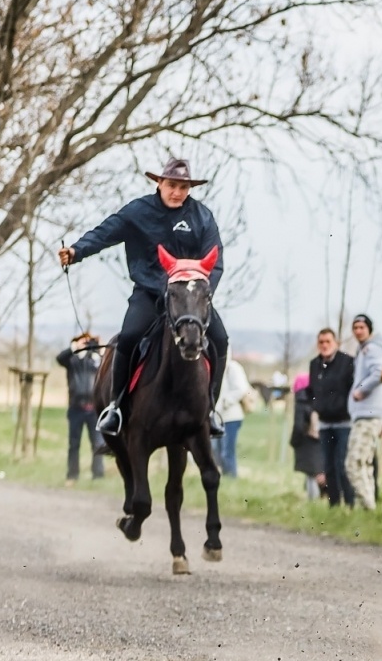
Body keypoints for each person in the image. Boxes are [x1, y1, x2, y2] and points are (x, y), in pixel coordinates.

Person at [58, 158, 229, 438]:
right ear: (159, 183)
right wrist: (76, 251)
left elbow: (216, 261)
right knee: (128, 337)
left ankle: (209, 409)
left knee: (220, 340)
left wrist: (202, 295)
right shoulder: (139, 211)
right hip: (149, 294)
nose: (177, 192)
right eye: (172, 185)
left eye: (183, 187)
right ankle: (116, 407)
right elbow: (106, 232)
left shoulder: (202, 217)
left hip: (189, 301)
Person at [344, 314, 382, 511]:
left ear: (369, 329)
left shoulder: (372, 349)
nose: (358, 331)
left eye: (362, 327)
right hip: (365, 414)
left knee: (354, 463)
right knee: (365, 463)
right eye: (355, 327)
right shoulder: (363, 350)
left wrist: (360, 390)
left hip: (369, 414)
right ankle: (369, 509)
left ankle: (368, 506)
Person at [309, 328, 355, 508]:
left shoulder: (347, 362)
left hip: (344, 422)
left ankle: (350, 503)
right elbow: (313, 390)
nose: (324, 345)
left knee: (342, 464)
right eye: (321, 342)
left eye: (328, 341)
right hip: (324, 423)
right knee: (328, 467)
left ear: (336, 343)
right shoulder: (314, 364)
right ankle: (334, 505)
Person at [57, 333, 105, 482]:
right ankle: (72, 475)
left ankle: (98, 475)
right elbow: (59, 358)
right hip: (76, 408)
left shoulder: (95, 360)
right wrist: (75, 347)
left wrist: (99, 349)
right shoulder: (72, 361)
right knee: (74, 443)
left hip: (93, 409)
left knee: (97, 443)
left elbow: (108, 363)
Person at [213, 351, 252, 478]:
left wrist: (225, 401)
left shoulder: (232, 367)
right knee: (216, 451)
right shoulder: (215, 365)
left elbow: (241, 388)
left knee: (227, 452)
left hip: (231, 417)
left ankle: (231, 479)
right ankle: (224, 478)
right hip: (217, 417)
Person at [289, 372, 325, 500]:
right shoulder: (319, 398)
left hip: (307, 442)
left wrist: (294, 441)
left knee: (311, 475)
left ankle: (312, 502)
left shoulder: (301, 401)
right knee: (318, 473)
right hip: (320, 441)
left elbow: (298, 425)